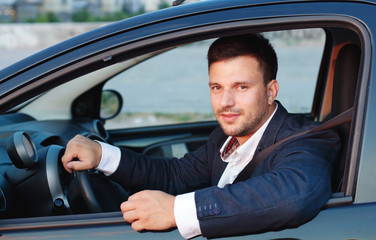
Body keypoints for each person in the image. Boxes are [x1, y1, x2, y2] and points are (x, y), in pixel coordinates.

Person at [62, 33, 340, 239]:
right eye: (217, 87)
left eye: (241, 87)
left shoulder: (305, 140)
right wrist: (102, 155)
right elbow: (174, 176)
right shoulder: (225, 138)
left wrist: (176, 210)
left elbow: (293, 196)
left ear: (271, 91)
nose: (225, 102)